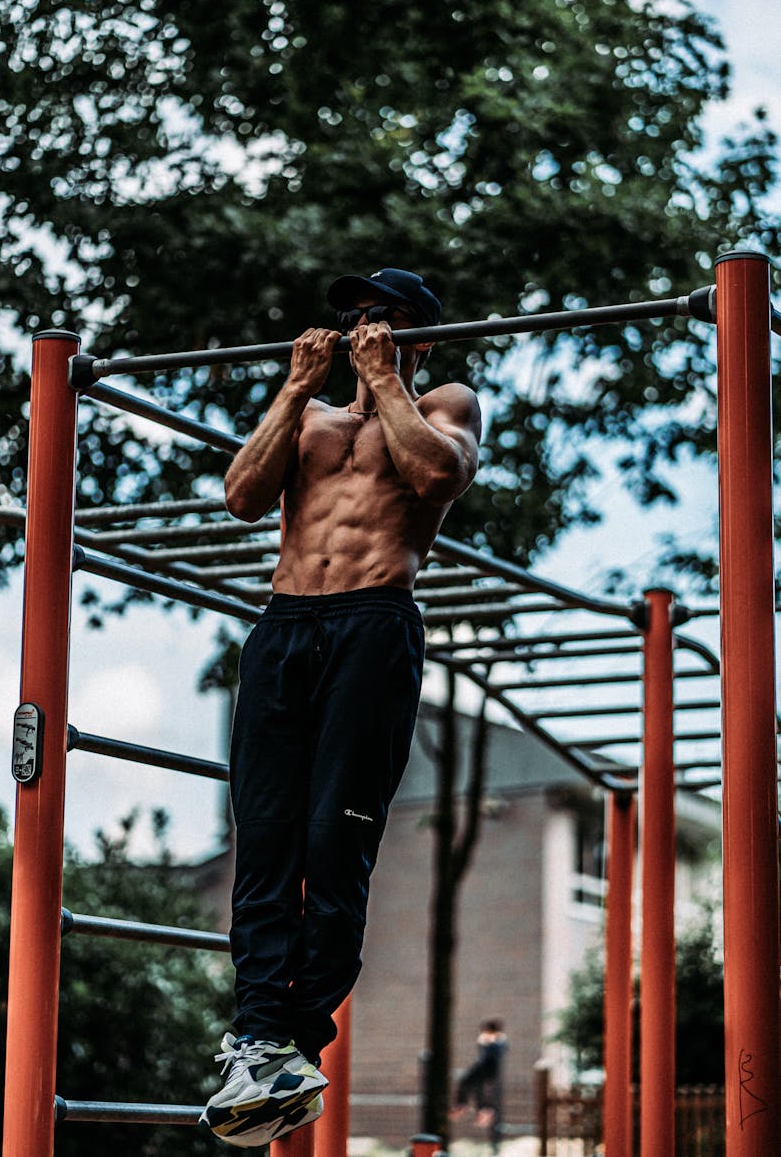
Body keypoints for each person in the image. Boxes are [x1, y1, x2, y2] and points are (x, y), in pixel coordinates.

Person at [201, 267, 482, 1146]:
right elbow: (243, 497)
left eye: (383, 320)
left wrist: (388, 377)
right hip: (284, 625)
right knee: (267, 836)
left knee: (334, 836)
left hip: (373, 622)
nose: (361, 329)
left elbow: (437, 479)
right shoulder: (310, 417)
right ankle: (257, 1039)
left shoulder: (443, 402)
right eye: (353, 318)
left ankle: (289, 1039)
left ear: (418, 335)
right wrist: (292, 386)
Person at [452, 1019, 509, 1154]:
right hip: (487, 1070)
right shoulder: (496, 1040)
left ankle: (468, 1106)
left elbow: (491, 1053)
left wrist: (487, 1040)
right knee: (475, 1087)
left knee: (467, 1083)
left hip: (486, 1068)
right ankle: (480, 1109)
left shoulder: (495, 1040)